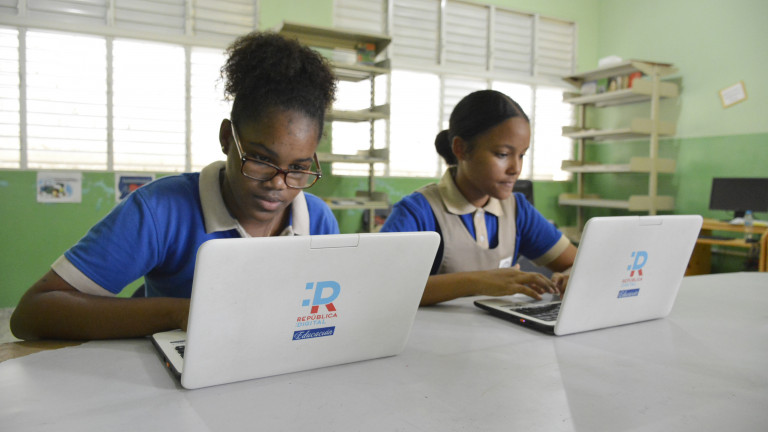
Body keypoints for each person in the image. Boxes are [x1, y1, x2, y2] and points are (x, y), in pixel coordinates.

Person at [11, 32, 339, 340]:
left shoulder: (317, 220)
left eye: (299, 168)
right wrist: (179, 313)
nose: (279, 184)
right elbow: (33, 313)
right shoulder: (160, 210)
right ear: (228, 138)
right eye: (261, 160)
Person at [380, 90, 577, 306]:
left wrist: (569, 276)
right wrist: (477, 282)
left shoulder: (517, 210)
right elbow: (380, 286)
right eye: (503, 154)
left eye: (521, 155)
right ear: (461, 149)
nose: (516, 168)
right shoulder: (418, 212)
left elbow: (577, 263)